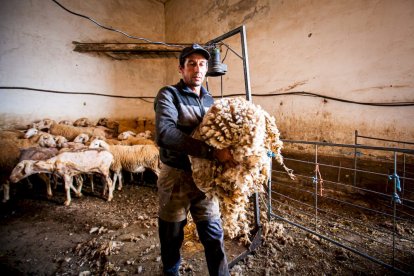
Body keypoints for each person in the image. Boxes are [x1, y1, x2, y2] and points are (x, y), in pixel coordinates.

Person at [154, 44, 232, 276]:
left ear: (207, 68)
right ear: (181, 69)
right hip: (176, 176)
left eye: (202, 64)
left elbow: (220, 134)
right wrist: (211, 153)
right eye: (191, 64)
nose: (197, 69)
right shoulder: (169, 94)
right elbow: (164, 133)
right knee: (172, 234)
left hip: (205, 179)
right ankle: (170, 271)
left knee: (213, 233)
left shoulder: (210, 100)